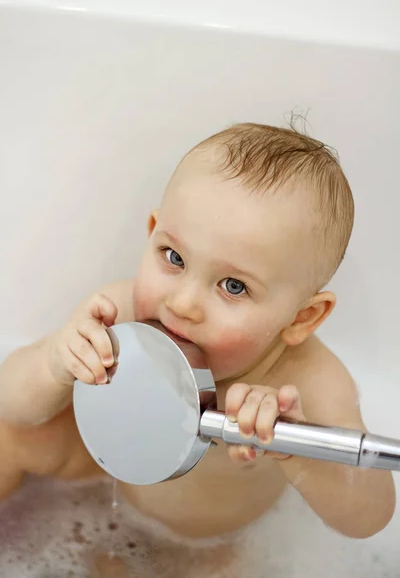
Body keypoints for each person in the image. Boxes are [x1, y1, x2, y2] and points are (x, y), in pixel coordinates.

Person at [0, 123, 395, 543]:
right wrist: (55, 363)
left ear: (301, 318)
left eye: (234, 286)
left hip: (200, 547)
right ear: (152, 232)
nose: (182, 304)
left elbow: (368, 518)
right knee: (11, 436)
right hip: (107, 471)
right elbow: (9, 401)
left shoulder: (307, 384)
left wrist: (294, 447)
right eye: (173, 257)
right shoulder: (121, 313)